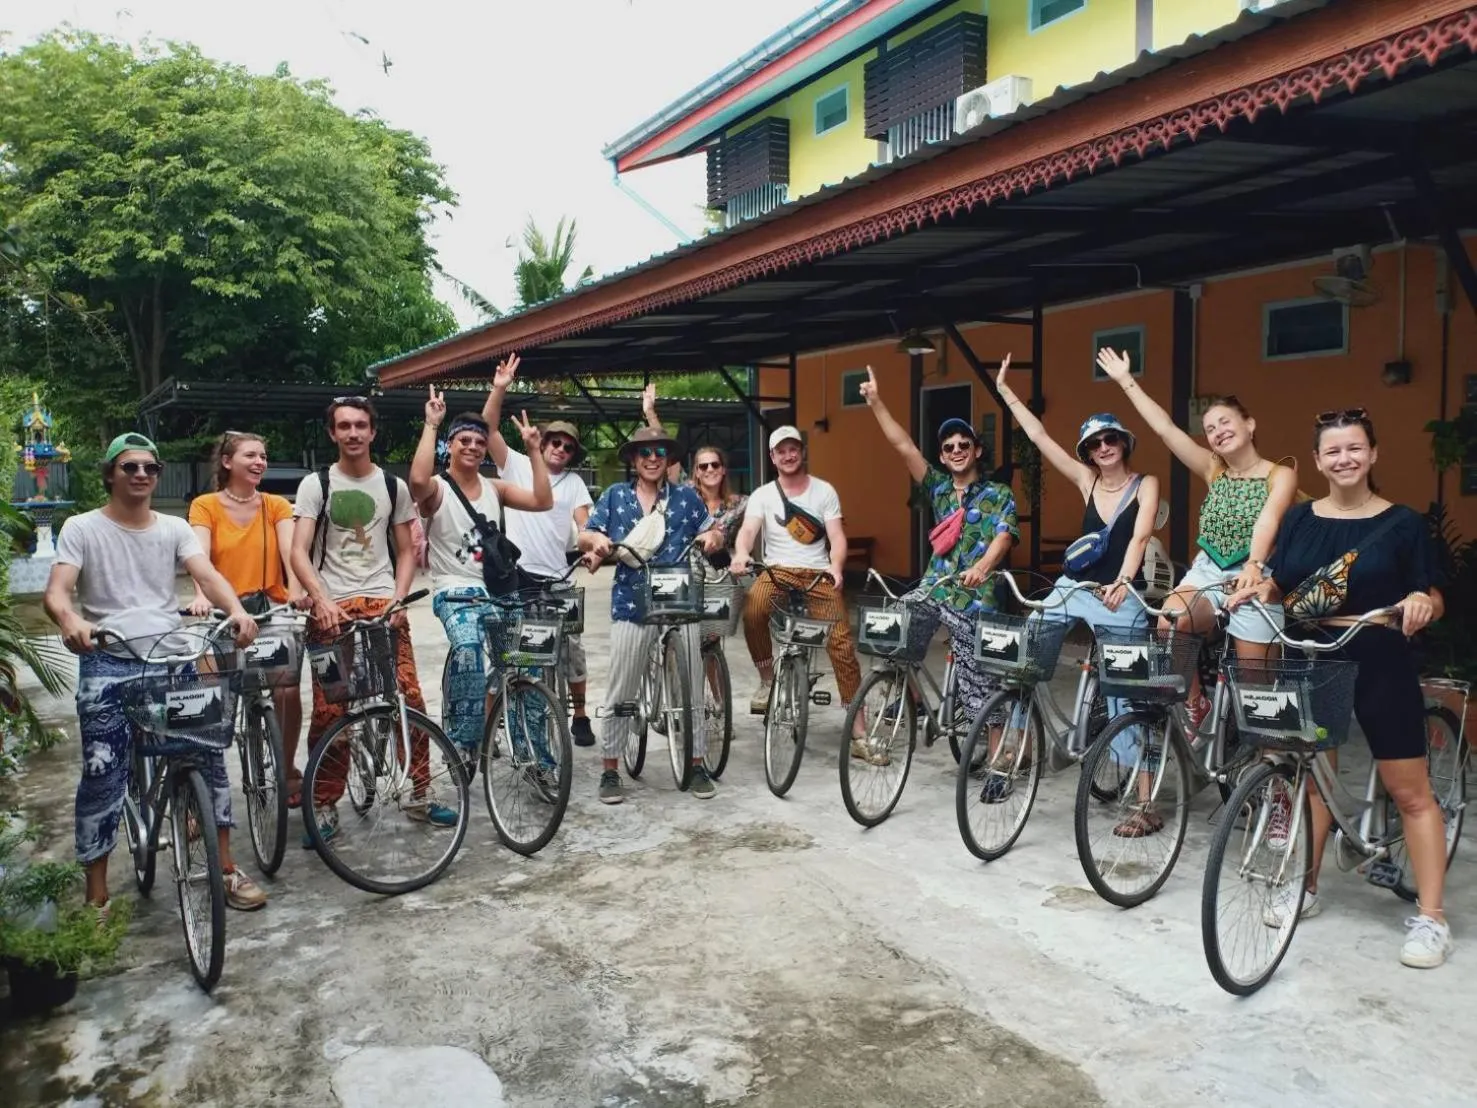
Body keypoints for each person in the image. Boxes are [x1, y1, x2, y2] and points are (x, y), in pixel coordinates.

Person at [1229, 409, 1452, 968]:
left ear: (1373, 455)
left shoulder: (1402, 523)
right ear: (1319, 460)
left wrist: (1423, 603)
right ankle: (1303, 888)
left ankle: (1432, 918)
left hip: (1380, 655)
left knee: (1410, 792)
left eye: (1355, 448)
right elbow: (1283, 582)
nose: (1344, 459)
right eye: (1333, 451)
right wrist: (1255, 590)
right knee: (1312, 782)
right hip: (1313, 654)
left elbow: (1433, 592)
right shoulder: (1302, 518)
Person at [45, 432, 262, 915]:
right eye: (130, 467)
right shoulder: (81, 528)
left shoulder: (173, 528)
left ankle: (225, 867)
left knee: (208, 758)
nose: (142, 474)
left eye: (151, 468)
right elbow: (58, 590)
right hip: (107, 660)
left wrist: (236, 610)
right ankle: (96, 896)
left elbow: (205, 573)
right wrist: (71, 620)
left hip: (169, 657)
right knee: (103, 775)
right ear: (109, 474)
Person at [997, 357, 1164, 828]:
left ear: (1124, 443)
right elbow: (1039, 439)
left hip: (1121, 589)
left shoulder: (1144, 483)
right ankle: (1013, 747)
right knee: (1026, 649)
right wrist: (1006, 391)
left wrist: (1125, 582)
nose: (1104, 447)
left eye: (1111, 439)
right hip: (1079, 585)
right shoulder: (1086, 480)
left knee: (1127, 691)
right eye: (1095, 443)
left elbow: (1139, 536)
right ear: (1088, 452)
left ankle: (1145, 801)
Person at [1098, 348, 1297, 729]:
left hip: (1256, 577)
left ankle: (1273, 767)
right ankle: (1196, 702)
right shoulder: (1213, 468)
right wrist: (1127, 380)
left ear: (1250, 424)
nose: (1218, 432)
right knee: (1170, 622)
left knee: (1257, 688)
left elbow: (1268, 520)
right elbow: (1165, 429)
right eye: (1210, 428)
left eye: (1225, 422)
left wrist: (1254, 566)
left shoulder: (1280, 473)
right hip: (1208, 572)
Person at [290, 396, 453, 844]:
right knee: (330, 712)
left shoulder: (392, 486)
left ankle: (419, 792)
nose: (353, 433)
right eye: (344, 426)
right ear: (333, 433)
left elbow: (406, 551)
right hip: (332, 610)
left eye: (361, 425)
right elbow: (298, 551)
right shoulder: (316, 484)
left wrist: (398, 599)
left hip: (382, 605)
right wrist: (320, 599)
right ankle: (323, 804)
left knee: (409, 700)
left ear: (372, 431)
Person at [858, 366, 1017, 763]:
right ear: (943, 456)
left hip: (978, 594)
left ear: (977, 450)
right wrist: (876, 402)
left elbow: (1003, 536)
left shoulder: (997, 493)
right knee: (893, 629)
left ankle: (999, 762)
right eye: (949, 446)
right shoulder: (940, 489)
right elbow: (905, 446)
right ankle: (911, 696)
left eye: (964, 443)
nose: (957, 449)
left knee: (981, 678)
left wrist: (983, 566)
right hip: (937, 585)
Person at [578, 426, 727, 805]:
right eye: (643, 452)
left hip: (680, 601)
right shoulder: (614, 497)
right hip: (631, 602)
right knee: (621, 687)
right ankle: (611, 768)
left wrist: (713, 539)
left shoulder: (687, 499)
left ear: (668, 459)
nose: (651, 457)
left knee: (691, 684)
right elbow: (587, 534)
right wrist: (595, 542)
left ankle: (695, 764)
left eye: (659, 451)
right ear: (633, 458)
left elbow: (713, 532)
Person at [408, 389, 552, 757]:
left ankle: (535, 757)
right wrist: (431, 424)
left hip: (499, 591)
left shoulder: (495, 488)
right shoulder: (439, 489)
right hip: (454, 591)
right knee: (469, 650)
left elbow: (542, 500)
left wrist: (534, 449)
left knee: (527, 668)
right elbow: (417, 482)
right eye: (464, 440)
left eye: (479, 442)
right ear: (450, 446)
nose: (472, 446)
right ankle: (463, 743)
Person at [188, 431, 308, 810]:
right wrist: (201, 595)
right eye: (251, 455)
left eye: (264, 455)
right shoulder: (205, 506)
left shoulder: (275, 505)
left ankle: (287, 767)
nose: (260, 462)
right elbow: (199, 557)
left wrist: (295, 588)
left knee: (287, 687)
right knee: (205, 698)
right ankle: (197, 793)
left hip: (268, 610)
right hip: (221, 616)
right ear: (227, 462)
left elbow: (290, 551)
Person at [482, 354, 598, 746]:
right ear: (542, 441)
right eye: (555, 441)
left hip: (559, 576)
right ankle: (488, 729)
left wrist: (594, 547)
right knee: (511, 654)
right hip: (518, 574)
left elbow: (585, 523)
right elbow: (489, 427)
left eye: (568, 446)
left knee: (572, 649)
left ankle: (580, 713)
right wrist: (500, 387)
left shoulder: (575, 484)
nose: (560, 449)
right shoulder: (515, 464)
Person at [729, 426, 863, 729]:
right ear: (772, 457)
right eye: (781, 451)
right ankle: (766, 680)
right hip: (777, 571)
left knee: (841, 643)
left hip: (817, 573)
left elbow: (837, 537)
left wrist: (836, 566)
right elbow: (748, 531)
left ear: (802, 452)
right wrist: (741, 554)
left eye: (793, 449)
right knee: (753, 609)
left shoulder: (824, 490)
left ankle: (859, 728)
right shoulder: (763, 494)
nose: (788, 456)